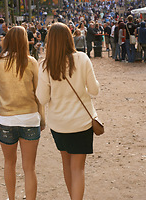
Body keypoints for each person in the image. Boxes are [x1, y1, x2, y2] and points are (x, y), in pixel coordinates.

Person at [36, 22, 100, 200]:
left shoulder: (44, 65)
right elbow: (94, 90)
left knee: (66, 163)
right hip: (82, 122)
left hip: (59, 124)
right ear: (69, 38)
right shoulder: (82, 58)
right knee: (78, 168)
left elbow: (42, 99)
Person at [0, 26, 45, 200]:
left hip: (6, 118)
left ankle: (11, 198)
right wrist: (42, 118)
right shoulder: (31, 62)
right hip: (29, 117)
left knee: (9, 163)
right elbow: (38, 93)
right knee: (29, 168)